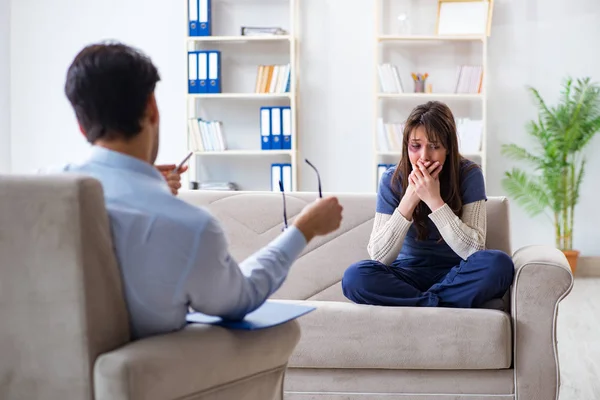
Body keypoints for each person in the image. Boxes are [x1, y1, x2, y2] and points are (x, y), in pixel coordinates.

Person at [60, 41, 343, 340]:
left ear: (81, 124)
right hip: (152, 378)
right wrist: (304, 228)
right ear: (151, 109)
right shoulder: (187, 225)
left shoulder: (35, 197)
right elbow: (241, 298)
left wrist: (145, 185)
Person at [342, 101, 514, 308]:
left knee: (499, 264)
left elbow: (475, 250)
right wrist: (410, 199)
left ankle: (419, 304)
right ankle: (437, 305)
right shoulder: (391, 179)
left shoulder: (469, 175)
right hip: (405, 275)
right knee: (355, 277)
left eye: (434, 146)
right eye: (416, 146)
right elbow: (378, 256)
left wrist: (435, 201)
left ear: (448, 148)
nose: (424, 156)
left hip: (454, 273)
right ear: (407, 146)